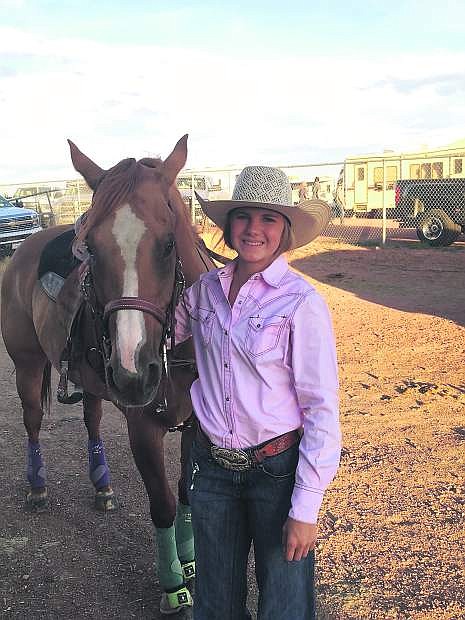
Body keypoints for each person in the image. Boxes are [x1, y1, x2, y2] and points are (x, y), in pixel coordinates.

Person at [174, 166, 341, 620]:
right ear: (229, 226)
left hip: (277, 473)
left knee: (284, 605)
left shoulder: (301, 302)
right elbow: (162, 335)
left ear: (285, 231)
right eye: (243, 216)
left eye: (268, 218)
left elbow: (322, 408)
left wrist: (306, 508)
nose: (254, 229)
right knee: (215, 602)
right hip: (212, 470)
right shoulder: (204, 291)